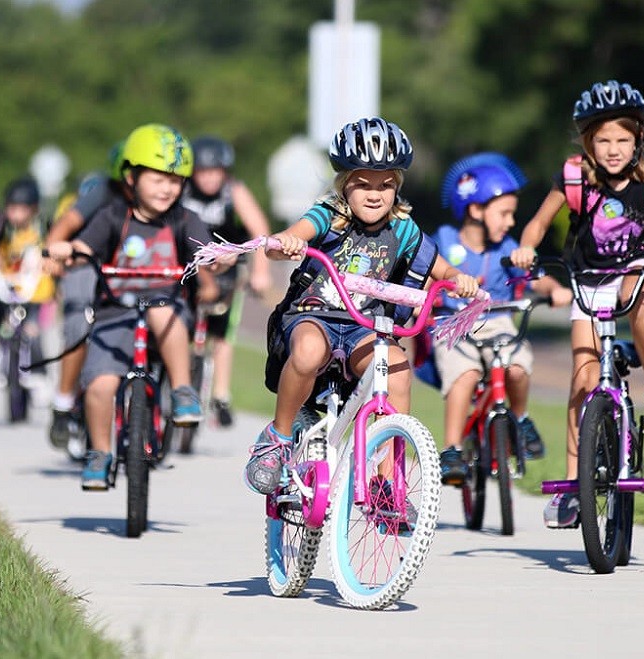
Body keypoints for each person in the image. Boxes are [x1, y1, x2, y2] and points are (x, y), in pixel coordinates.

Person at [509, 80, 644, 528]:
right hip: (587, 280)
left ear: (638, 139)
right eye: (602, 139)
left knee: (634, 291)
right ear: (587, 143)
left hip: (641, 269)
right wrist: (526, 250)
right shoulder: (573, 179)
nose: (613, 149)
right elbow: (536, 226)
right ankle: (571, 485)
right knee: (583, 381)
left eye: (623, 139)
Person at [243, 116, 481, 495]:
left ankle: (388, 481)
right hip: (314, 313)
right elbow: (292, 236)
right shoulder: (328, 217)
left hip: (364, 326)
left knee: (398, 371)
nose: (375, 194)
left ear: (397, 187)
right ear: (344, 184)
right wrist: (283, 242)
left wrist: (458, 278)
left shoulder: (403, 229)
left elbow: (440, 268)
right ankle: (278, 438)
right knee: (307, 351)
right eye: (363, 184)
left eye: (386, 185)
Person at [45, 123, 220, 491]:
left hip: (167, 315)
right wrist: (68, 251)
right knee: (99, 386)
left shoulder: (185, 219)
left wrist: (219, 260)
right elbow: (86, 248)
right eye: (157, 179)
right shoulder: (112, 216)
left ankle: (183, 390)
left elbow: (207, 252)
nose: (167, 188)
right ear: (131, 177)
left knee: (160, 306)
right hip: (115, 315)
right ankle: (99, 452)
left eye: (175, 180)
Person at [431, 154, 572, 487]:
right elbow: (424, 273)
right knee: (464, 375)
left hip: (499, 321)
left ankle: (520, 419)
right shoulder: (445, 240)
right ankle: (451, 448)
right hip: (453, 324)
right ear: (476, 209)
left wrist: (554, 289)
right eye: (504, 213)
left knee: (517, 367)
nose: (511, 222)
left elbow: (533, 277)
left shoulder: (507, 246)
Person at [180, 135, 273, 427]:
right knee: (179, 324)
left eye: (214, 171)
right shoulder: (182, 190)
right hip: (189, 267)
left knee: (223, 332)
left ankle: (221, 394)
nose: (208, 178)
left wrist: (260, 272)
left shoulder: (234, 192)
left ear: (225, 171)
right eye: (202, 172)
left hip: (228, 267)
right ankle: (178, 384)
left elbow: (259, 229)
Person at [45, 142, 128, 456]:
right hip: (85, 262)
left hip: (130, 271)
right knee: (79, 323)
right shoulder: (102, 192)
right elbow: (66, 225)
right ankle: (64, 402)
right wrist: (54, 252)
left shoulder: (165, 197)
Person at [0, 176, 57, 376]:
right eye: (11, 208)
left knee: (33, 333)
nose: (15, 214)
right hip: (9, 287)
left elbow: (56, 251)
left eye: (20, 209)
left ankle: (38, 375)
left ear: (33, 209)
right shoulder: (3, 229)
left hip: (36, 291)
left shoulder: (44, 228)